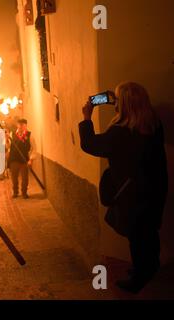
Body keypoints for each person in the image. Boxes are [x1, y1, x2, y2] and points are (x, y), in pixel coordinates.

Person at [79, 82, 168, 293]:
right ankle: (150, 266)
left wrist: (87, 117)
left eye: (118, 100)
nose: (115, 102)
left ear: (125, 105)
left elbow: (90, 144)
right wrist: (118, 102)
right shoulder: (153, 124)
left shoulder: (120, 132)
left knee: (136, 236)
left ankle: (139, 277)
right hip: (155, 189)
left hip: (132, 195)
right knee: (149, 232)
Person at [8, 119, 36, 199]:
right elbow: (8, 147)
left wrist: (31, 159)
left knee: (25, 178)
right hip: (14, 159)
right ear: (17, 125)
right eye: (19, 125)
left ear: (25, 125)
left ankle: (24, 192)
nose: (20, 126)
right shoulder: (12, 134)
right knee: (14, 177)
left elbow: (34, 148)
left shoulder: (29, 135)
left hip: (24, 159)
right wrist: (6, 140)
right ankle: (15, 192)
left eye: (22, 125)